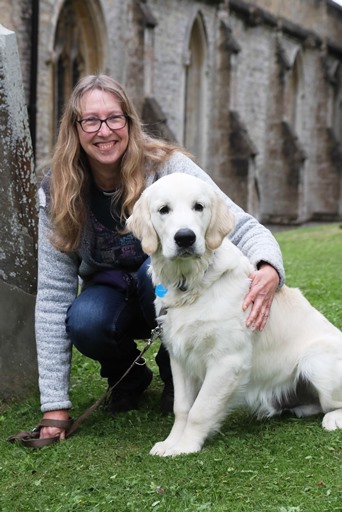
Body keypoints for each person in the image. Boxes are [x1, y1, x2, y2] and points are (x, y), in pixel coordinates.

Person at [36, 74, 285, 441]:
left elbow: (240, 224)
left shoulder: (168, 168)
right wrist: (54, 406)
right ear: (74, 129)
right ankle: (127, 376)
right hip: (110, 297)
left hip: (167, 291)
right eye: (90, 120)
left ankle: (176, 378)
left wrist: (269, 268)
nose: (104, 130)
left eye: (114, 118)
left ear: (129, 122)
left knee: (150, 273)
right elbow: (54, 296)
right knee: (85, 319)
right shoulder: (57, 191)